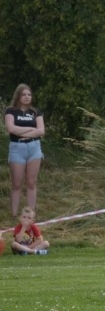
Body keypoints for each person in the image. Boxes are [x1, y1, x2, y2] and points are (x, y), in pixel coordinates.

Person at [5, 84, 46, 217]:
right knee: (17, 183)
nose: (27, 97)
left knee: (31, 183)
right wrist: (31, 129)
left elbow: (41, 131)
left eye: (29, 94)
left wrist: (22, 131)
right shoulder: (11, 111)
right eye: (24, 94)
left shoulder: (36, 112)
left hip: (34, 148)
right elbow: (11, 129)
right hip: (17, 148)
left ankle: (29, 214)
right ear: (18, 96)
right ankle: (14, 214)